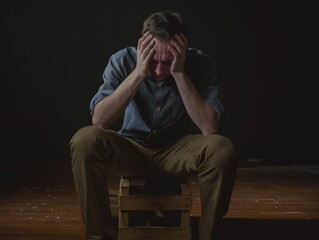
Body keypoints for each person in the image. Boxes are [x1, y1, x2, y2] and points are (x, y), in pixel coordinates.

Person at [70, 10, 237, 240]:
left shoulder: (200, 63)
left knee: (222, 149)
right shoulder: (122, 60)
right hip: (131, 147)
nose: (158, 70)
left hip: (177, 150)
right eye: (153, 60)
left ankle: (209, 236)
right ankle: (99, 236)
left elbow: (209, 128)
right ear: (142, 45)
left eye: (167, 61)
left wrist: (178, 73)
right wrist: (139, 71)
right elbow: (99, 120)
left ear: (182, 49)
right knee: (84, 140)